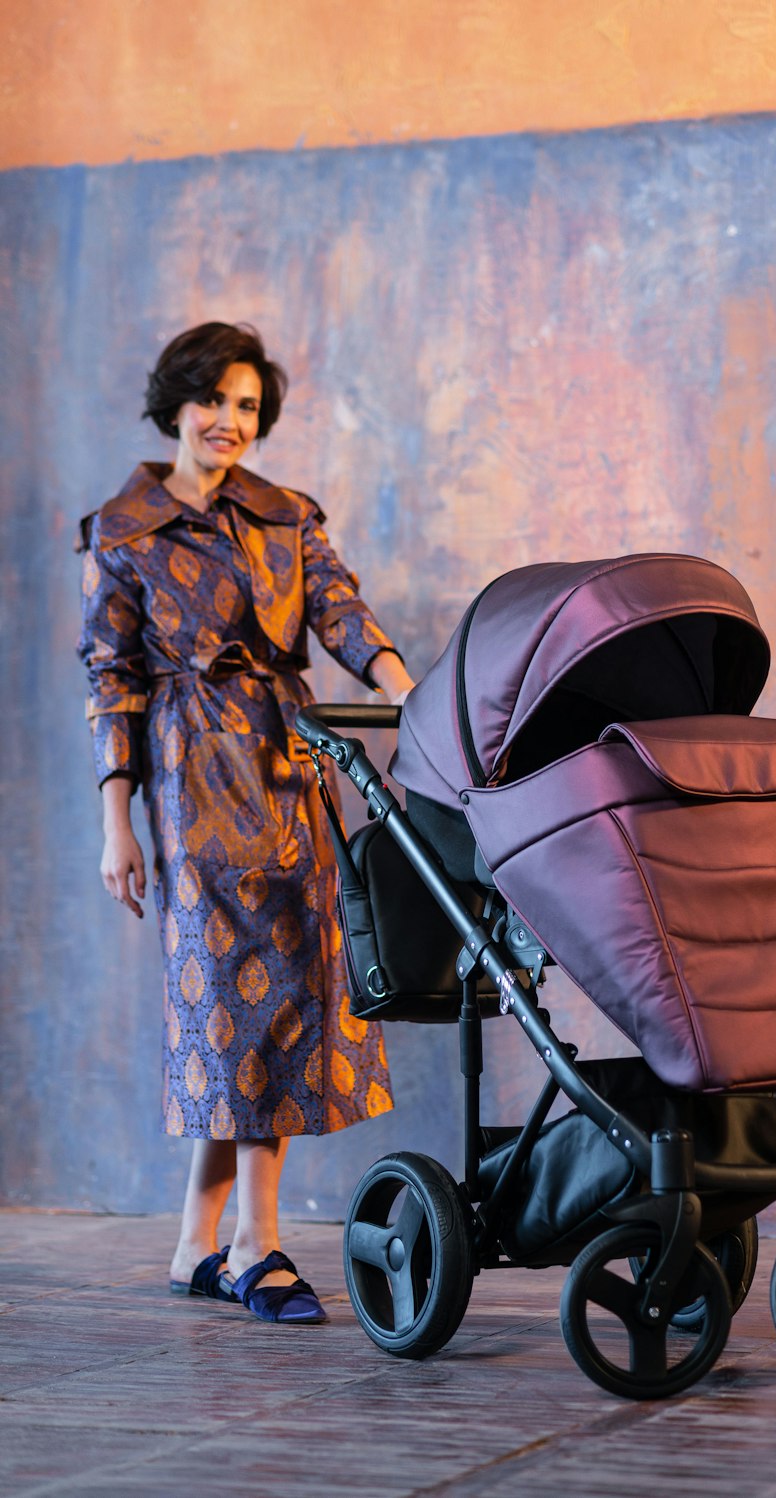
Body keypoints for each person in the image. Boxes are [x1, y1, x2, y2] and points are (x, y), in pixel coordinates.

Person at [77, 322, 414, 1323]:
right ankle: (256, 1245)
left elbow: (342, 613)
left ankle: (198, 1243)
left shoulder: (286, 516)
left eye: (248, 408)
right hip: (191, 779)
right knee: (229, 1000)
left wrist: (406, 690)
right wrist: (117, 823)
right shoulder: (120, 531)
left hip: (292, 766)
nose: (230, 423)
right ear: (175, 403)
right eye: (214, 401)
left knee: (293, 992)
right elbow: (111, 679)